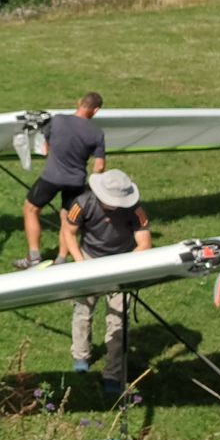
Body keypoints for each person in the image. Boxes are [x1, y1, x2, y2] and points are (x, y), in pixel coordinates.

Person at [60, 169, 152, 395]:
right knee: (82, 311)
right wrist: (80, 262)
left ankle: (113, 373)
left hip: (122, 263)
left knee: (118, 322)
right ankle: (81, 356)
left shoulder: (136, 210)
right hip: (89, 259)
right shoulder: (82, 203)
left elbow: (144, 243)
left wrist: (123, 266)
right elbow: (68, 232)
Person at [16, 91, 106, 269]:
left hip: (51, 177)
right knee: (67, 219)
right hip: (76, 182)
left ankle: (34, 256)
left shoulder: (58, 120)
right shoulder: (97, 133)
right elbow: (100, 166)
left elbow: (46, 147)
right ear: (96, 110)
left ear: (79, 103)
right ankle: (61, 259)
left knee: (30, 209)